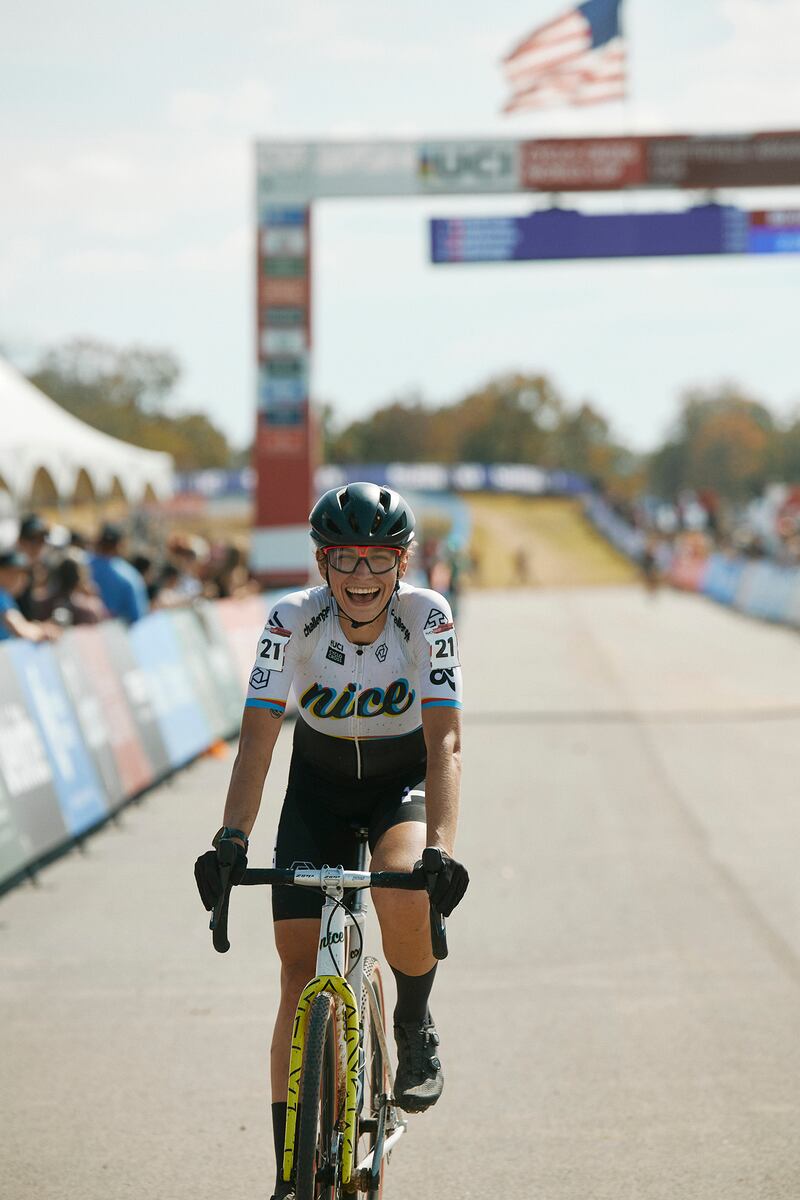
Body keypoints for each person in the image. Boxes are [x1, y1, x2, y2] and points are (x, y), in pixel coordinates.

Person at [194, 482, 469, 1200]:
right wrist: (232, 837)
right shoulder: (291, 619)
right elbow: (257, 736)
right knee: (295, 972)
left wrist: (441, 845)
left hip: (396, 786)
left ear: (401, 563)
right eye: (344, 560)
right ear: (321, 564)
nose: (361, 578)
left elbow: (444, 739)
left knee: (401, 879)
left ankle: (413, 1021)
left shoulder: (426, 616)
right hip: (314, 791)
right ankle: (290, 1167)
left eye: (378, 560)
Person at [88, 523, 149, 623]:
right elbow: (139, 619)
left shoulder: (80, 566)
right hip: (118, 635)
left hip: (79, 634)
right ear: (120, 544)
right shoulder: (130, 576)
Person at [0, 550, 58, 642]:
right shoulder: (1, 595)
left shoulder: (6, 597)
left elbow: (22, 624)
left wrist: (40, 627)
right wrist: (42, 633)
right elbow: (19, 629)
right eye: (15, 573)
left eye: (24, 575)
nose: (22, 580)